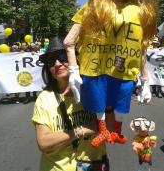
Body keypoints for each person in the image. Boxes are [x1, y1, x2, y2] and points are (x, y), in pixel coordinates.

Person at [64, 0, 158, 147]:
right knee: (98, 101)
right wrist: (73, 69)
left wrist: (145, 80)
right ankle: (103, 131)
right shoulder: (92, 7)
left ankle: (116, 131)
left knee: (121, 102)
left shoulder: (141, 12)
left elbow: (141, 48)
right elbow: (69, 41)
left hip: (124, 70)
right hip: (96, 68)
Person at [32, 37, 109, 171]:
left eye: (63, 56)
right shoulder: (44, 98)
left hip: (93, 165)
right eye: (51, 61)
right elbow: (43, 142)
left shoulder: (95, 91)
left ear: (76, 59)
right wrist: (82, 130)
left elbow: (110, 127)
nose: (57, 64)